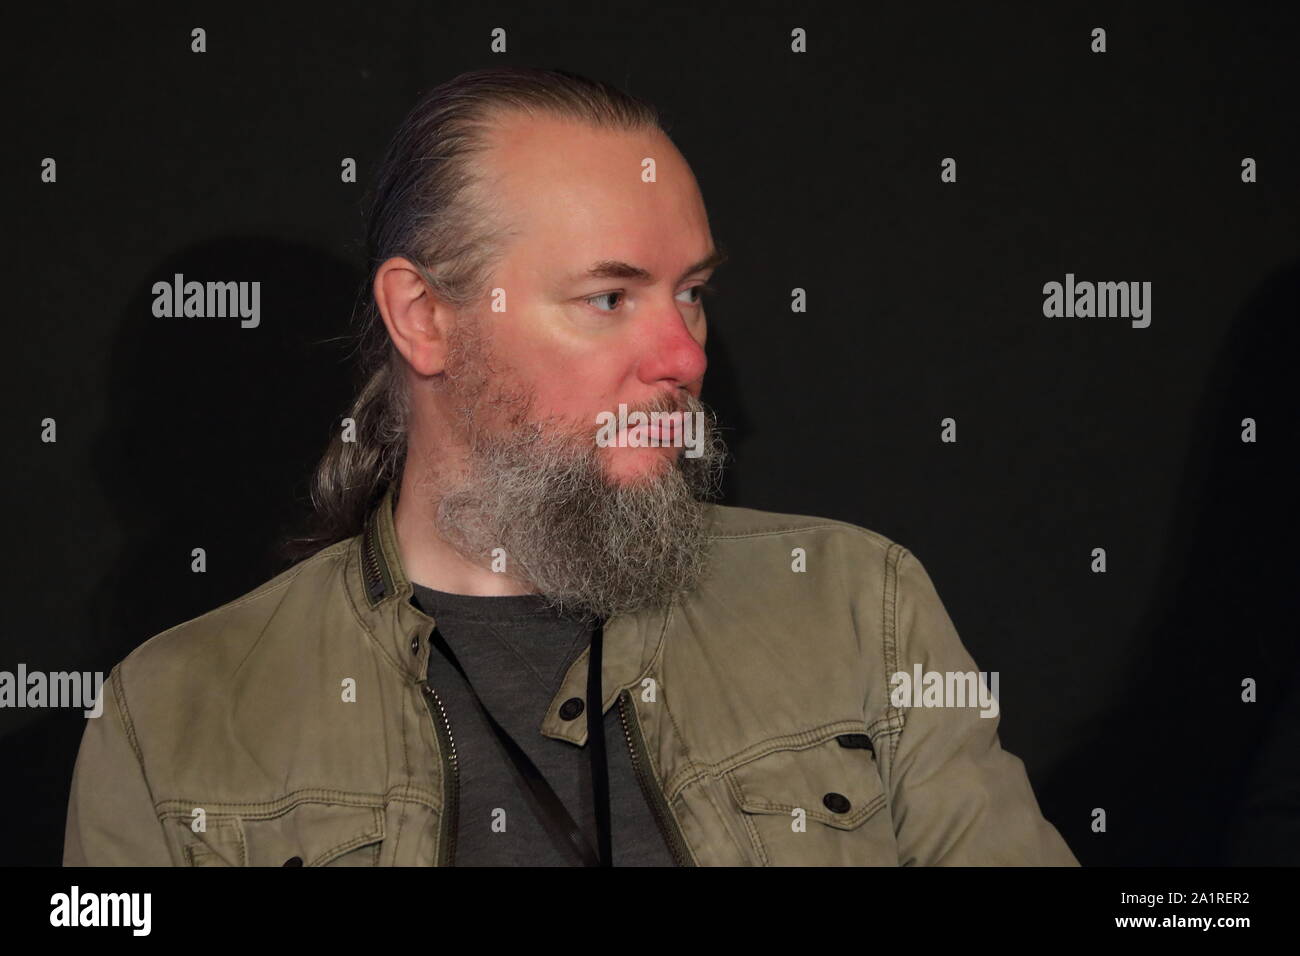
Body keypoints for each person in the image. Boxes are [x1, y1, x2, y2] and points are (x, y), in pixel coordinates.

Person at [63, 66, 1078, 866]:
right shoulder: (175, 714)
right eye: (608, 297)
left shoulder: (861, 605)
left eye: (691, 292)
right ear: (425, 318)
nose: (686, 355)